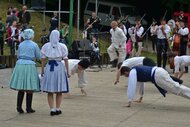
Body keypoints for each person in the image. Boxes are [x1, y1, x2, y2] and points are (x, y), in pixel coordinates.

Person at [120, 65, 190, 107]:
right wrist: (140, 97)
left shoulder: (132, 72)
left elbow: (131, 86)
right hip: (158, 72)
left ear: (125, 72)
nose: (126, 76)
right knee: (176, 88)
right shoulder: (135, 71)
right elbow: (140, 84)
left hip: (157, 75)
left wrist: (129, 101)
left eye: (124, 75)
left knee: (176, 89)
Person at [9, 29, 41, 113]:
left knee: (21, 87)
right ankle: (28, 107)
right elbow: (38, 56)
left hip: (20, 65)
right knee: (29, 86)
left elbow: (18, 55)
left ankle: (18, 106)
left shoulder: (21, 44)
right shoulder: (34, 45)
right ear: (31, 35)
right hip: (30, 65)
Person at [40, 30, 69, 116]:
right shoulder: (62, 46)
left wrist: (42, 70)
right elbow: (66, 59)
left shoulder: (46, 46)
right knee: (59, 90)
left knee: (50, 90)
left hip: (49, 67)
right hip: (59, 67)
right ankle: (57, 108)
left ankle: (52, 109)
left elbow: (43, 59)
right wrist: (67, 71)